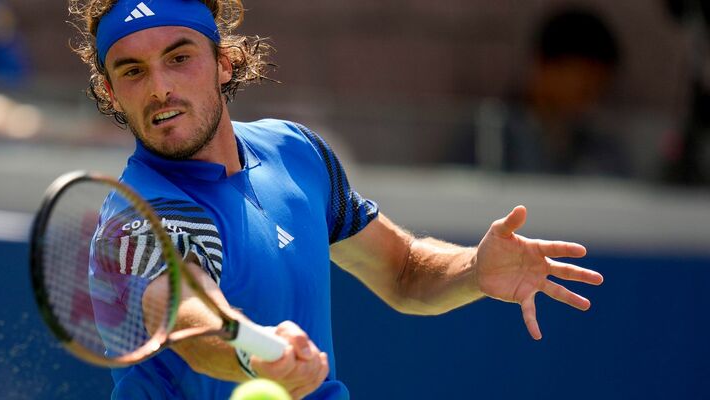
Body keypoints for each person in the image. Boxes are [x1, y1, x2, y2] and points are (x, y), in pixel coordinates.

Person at [70, 0, 604, 398]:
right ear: (112, 93)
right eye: (133, 71)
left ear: (224, 62)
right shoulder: (138, 217)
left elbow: (402, 271)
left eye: (178, 57)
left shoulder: (296, 153)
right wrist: (255, 352)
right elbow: (190, 319)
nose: (160, 87)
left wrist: (473, 269)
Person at [448, 8, 629, 176]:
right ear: (542, 66)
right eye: (582, 77)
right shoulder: (490, 137)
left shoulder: (602, 147)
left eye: (599, 81)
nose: (591, 91)